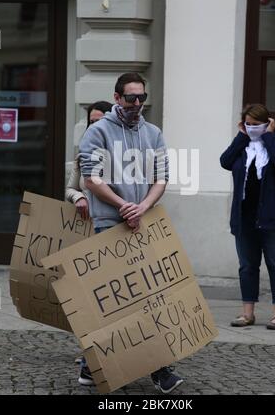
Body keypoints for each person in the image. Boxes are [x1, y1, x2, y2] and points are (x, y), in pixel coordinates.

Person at [78, 72, 184, 394]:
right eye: (130, 98)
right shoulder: (98, 132)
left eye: (142, 98)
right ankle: (95, 365)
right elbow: (90, 178)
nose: (137, 104)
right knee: (115, 300)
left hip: (144, 224)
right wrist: (124, 205)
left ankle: (156, 368)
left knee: (148, 297)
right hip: (109, 224)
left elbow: (162, 177)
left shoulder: (153, 133)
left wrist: (143, 206)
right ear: (117, 97)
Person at [220, 104, 275, 330]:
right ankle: (247, 313)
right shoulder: (244, 145)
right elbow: (225, 161)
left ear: (268, 122)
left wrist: (269, 136)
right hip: (245, 218)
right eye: (248, 124)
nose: (252, 128)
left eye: (256, 124)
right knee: (247, 266)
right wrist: (241, 136)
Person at [66, 101, 113, 220]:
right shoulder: (83, 155)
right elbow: (70, 189)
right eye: (91, 122)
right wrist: (79, 197)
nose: (94, 126)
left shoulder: (122, 154)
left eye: (100, 121)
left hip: (115, 223)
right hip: (88, 223)